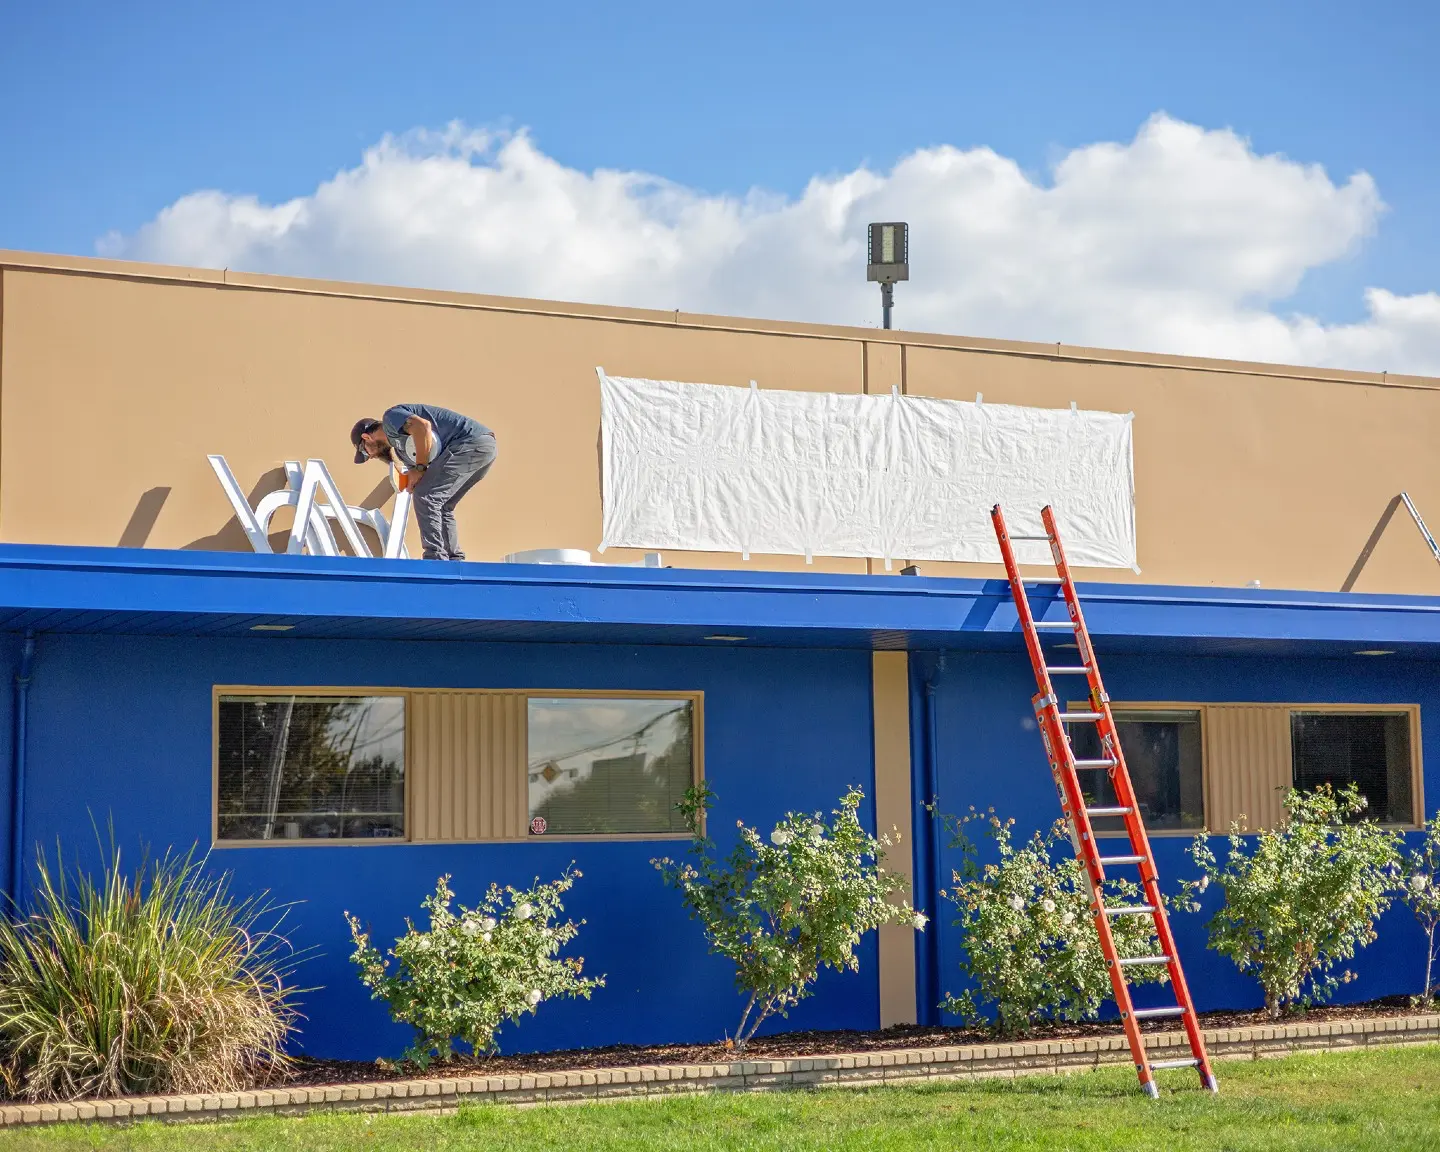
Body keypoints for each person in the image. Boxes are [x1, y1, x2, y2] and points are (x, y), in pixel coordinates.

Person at [351, 404, 497, 561]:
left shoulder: (391, 419)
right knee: (443, 505)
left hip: (468, 442)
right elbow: (424, 471)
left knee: (426, 496)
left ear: (367, 438)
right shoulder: (403, 449)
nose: (371, 457)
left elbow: (423, 426)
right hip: (484, 447)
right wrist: (415, 476)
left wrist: (420, 468)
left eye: (366, 452)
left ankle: (435, 557)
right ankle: (453, 559)